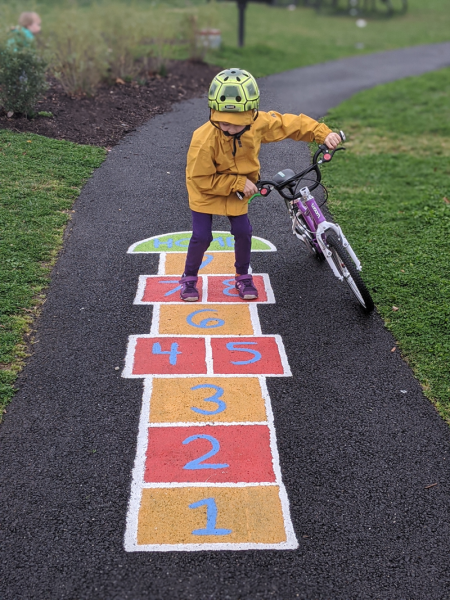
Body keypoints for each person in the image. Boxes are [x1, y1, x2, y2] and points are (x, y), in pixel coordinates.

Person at [179, 68, 341, 301]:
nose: (230, 128)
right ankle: (189, 278)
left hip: (239, 187)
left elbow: (288, 124)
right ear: (213, 112)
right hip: (207, 188)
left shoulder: (256, 124)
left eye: (237, 123)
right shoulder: (203, 140)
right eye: (224, 122)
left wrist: (321, 133)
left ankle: (243, 276)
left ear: (252, 113)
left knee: (243, 232)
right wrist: (237, 182)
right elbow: (201, 179)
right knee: (202, 236)